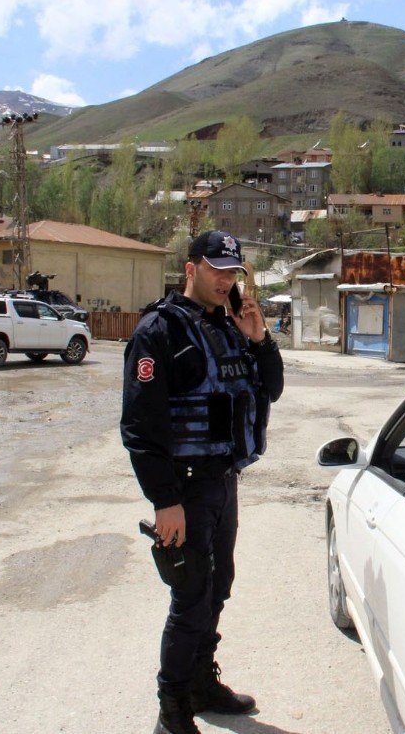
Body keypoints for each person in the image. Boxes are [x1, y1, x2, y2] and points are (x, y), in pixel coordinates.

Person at [121, 230, 284, 734]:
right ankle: (172, 709)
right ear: (190, 269)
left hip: (223, 481)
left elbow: (270, 389)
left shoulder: (233, 326)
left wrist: (259, 339)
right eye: (216, 269)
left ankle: (199, 683)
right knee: (190, 596)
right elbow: (140, 425)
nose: (226, 280)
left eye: (233, 271)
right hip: (185, 488)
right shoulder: (159, 331)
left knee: (218, 588)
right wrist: (164, 501)